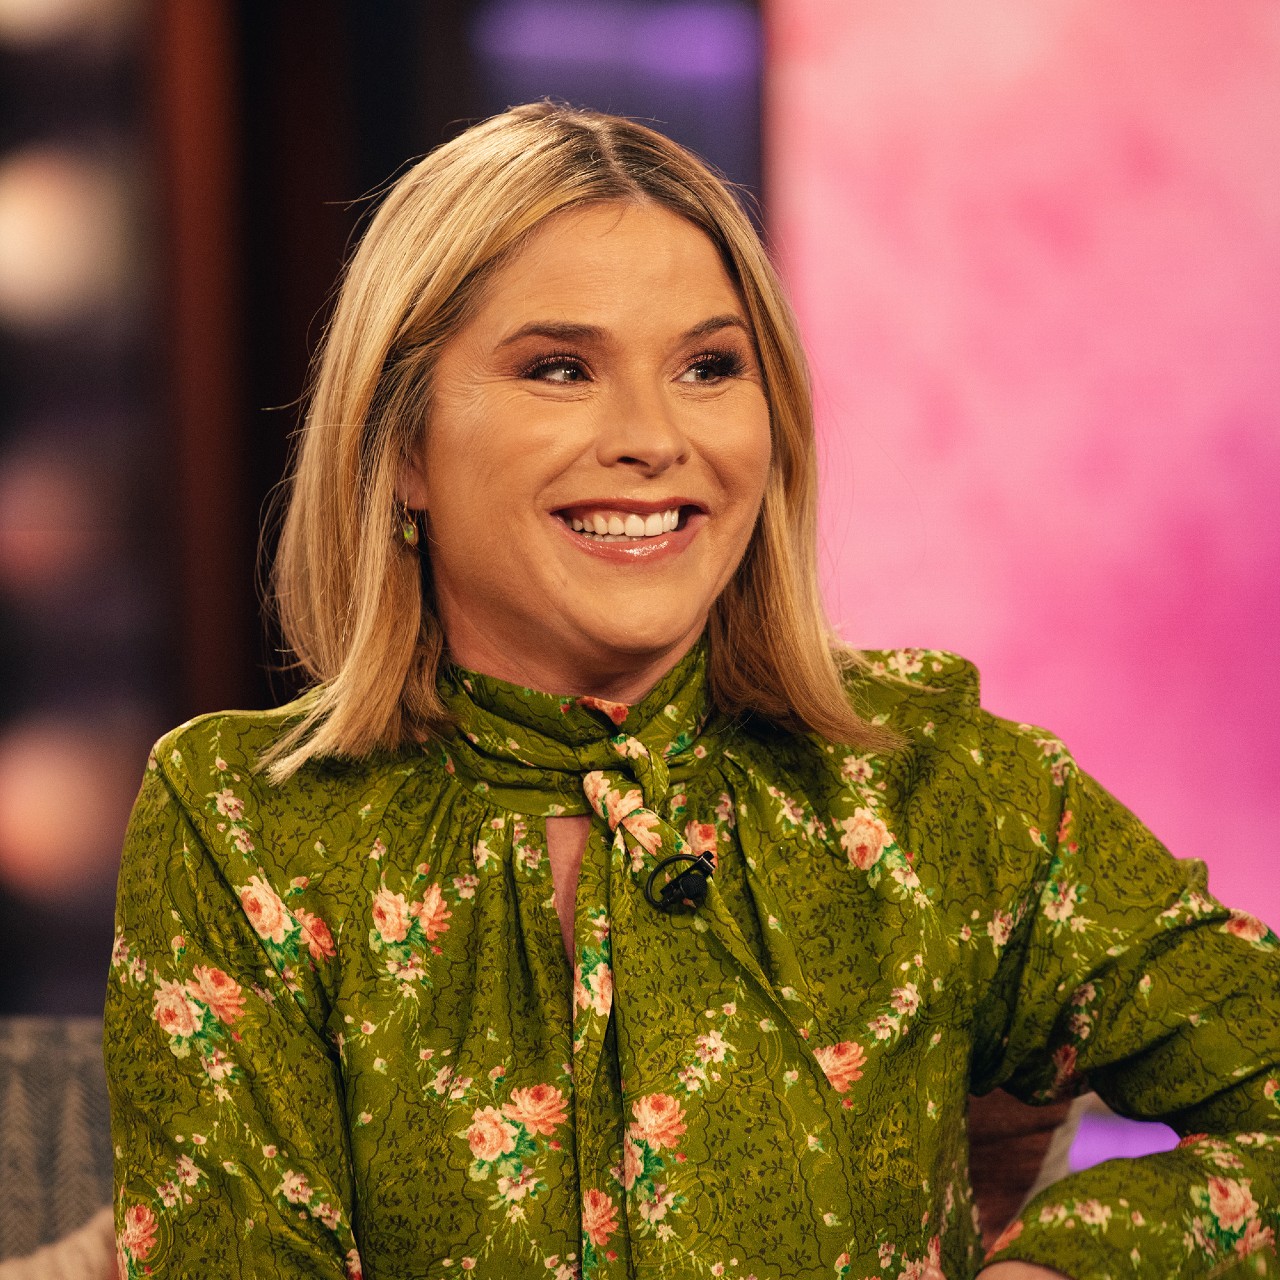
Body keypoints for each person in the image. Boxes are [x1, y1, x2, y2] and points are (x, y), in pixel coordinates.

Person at [105, 103, 1280, 1280]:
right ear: (400, 446)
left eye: (708, 367)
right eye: (558, 368)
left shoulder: (932, 780)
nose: (652, 437)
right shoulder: (241, 824)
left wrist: (1057, 1270)